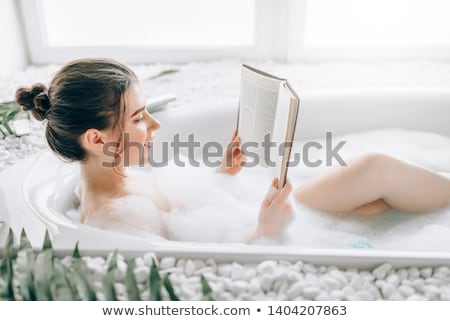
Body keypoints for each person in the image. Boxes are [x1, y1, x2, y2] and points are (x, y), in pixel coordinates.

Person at [15, 58, 450, 242]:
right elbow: (195, 275)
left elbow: (179, 214)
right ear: (96, 139)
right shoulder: (117, 215)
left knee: (374, 187)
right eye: (138, 117)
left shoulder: (118, 179)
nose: (155, 125)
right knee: (375, 188)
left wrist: (223, 174)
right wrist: (267, 233)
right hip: (264, 230)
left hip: (257, 213)